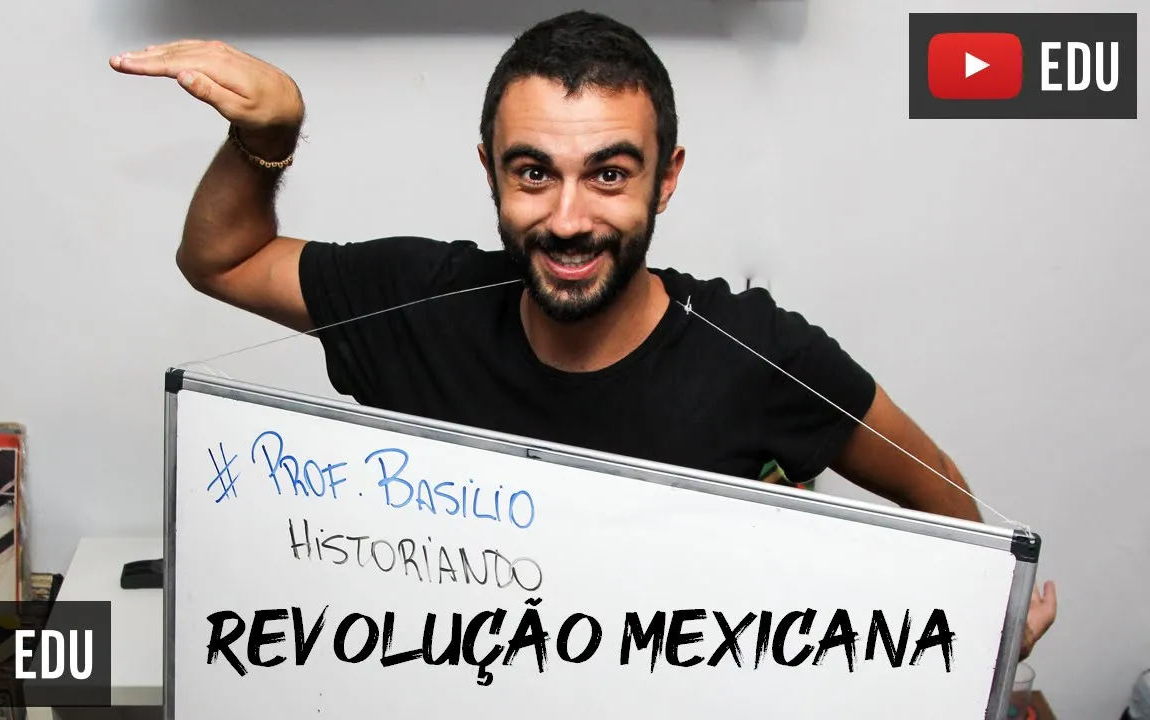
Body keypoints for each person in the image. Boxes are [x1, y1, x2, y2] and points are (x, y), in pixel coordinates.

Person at [110, 10, 1056, 658]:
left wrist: (981, 624)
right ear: (491, 170)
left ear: (665, 178)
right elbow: (225, 259)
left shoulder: (761, 354)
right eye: (534, 173)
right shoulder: (420, 301)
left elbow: (939, 493)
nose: (568, 219)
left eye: (609, 174)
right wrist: (268, 138)